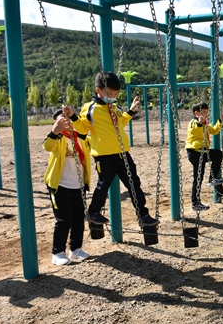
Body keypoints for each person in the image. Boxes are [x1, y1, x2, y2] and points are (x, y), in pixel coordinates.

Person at [63, 71, 159, 227]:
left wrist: (131, 111)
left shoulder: (115, 107)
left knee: (134, 184)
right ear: (98, 90)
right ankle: (93, 212)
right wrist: (73, 116)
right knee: (103, 185)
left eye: (115, 93)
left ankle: (143, 215)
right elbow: (82, 129)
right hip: (104, 155)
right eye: (109, 93)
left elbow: (121, 123)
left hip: (123, 153)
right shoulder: (91, 108)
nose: (113, 96)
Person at [43, 109, 91, 266]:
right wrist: (54, 131)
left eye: (68, 119)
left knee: (78, 219)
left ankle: (75, 249)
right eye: (62, 120)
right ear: (55, 123)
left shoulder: (79, 137)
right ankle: (57, 252)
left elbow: (94, 142)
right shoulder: (57, 138)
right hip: (60, 185)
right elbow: (47, 146)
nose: (66, 122)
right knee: (64, 220)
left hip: (78, 185)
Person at [186, 102, 223, 211]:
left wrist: (220, 121)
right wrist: (199, 123)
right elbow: (193, 130)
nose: (206, 114)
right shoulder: (193, 122)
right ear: (196, 113)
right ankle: (213, 178)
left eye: (207, 112)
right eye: (203, 112)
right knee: (217, 154)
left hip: (201, 152)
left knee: (198, 178)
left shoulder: (205, 124)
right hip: (195, 152)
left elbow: (214, 130)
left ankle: (195, 203)